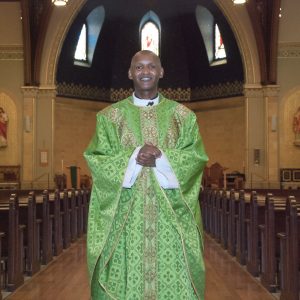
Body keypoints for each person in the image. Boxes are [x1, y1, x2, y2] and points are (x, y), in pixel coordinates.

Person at [84, 50, 208, 300]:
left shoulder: (183, 117)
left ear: (161, 72)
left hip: (170, 219)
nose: (145, 72)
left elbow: (196, 158)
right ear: (130, 73)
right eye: (139, 67)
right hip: (126, 220)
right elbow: (97, 159)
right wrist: (134, 157)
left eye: (151, 66)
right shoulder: (109, 117)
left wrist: (161, 157)